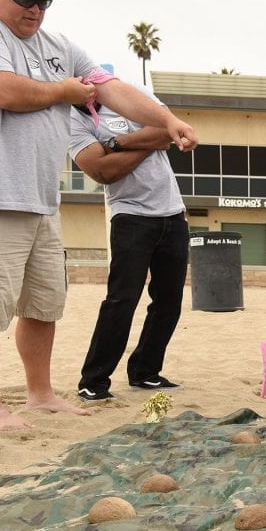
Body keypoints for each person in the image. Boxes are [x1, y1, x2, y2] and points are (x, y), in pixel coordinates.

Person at [0, 0, 197, 432]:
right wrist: (64, 91)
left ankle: (40, 393)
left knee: (43, 305)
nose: (35, 9)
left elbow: (112, 88)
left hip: (43, 201)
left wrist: (168, 120)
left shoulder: (60, 45)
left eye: (45, 0)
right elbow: (4, 91)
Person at [68, 89, 189, 402]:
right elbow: (103, 170)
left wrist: (115, 145)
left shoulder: (133, 98)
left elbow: (168, 129)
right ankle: (93, 380)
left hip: (173, 214)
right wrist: (150, 141)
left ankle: (145, 372)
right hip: (130, 217)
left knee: (168, 302)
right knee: (121, 301)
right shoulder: (72, 121)